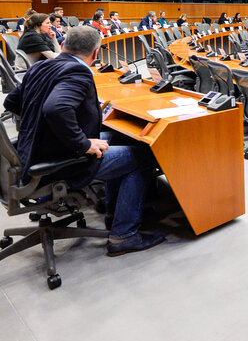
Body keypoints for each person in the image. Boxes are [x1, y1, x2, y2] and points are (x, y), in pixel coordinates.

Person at [4, 26, 164, 256]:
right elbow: (56, 108)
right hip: (58, 161)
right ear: (95, 53)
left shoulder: (41, 66)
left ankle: (112, 212)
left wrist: (45, 126)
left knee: (118, 137)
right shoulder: (78, 72)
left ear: (64, 45)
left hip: (32, 151)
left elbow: (12, 102)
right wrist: (83, 144)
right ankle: (124, 235)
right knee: (142, 156)